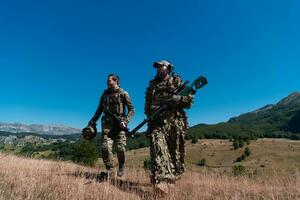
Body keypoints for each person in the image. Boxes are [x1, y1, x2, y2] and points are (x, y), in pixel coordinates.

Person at [144, 60, 193, 191]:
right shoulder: (152, 86)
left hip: (174, 123)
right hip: (156, 123)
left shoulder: (176, 82)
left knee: (173, 153)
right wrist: (149, 123)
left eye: (161, 66)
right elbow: (147, 106)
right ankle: (162, 180)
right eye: (157, 67)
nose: (158, 69)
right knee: (158, 148)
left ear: (169, 68)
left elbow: (189, 102)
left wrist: (180, 99)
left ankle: (172, 179)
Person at [88, 74, 134, 178]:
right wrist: (92, 121)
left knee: (120, 148)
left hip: (120, 125)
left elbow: (132, 110)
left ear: (116, 81)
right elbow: (99, 109)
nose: (107, 82)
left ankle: (121, 165)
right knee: (105, 148)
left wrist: (125, 122)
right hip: (107, 126)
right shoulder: (105, 94)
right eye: (107, 80)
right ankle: (110, 170)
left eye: (109, 80)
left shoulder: (123, 93)